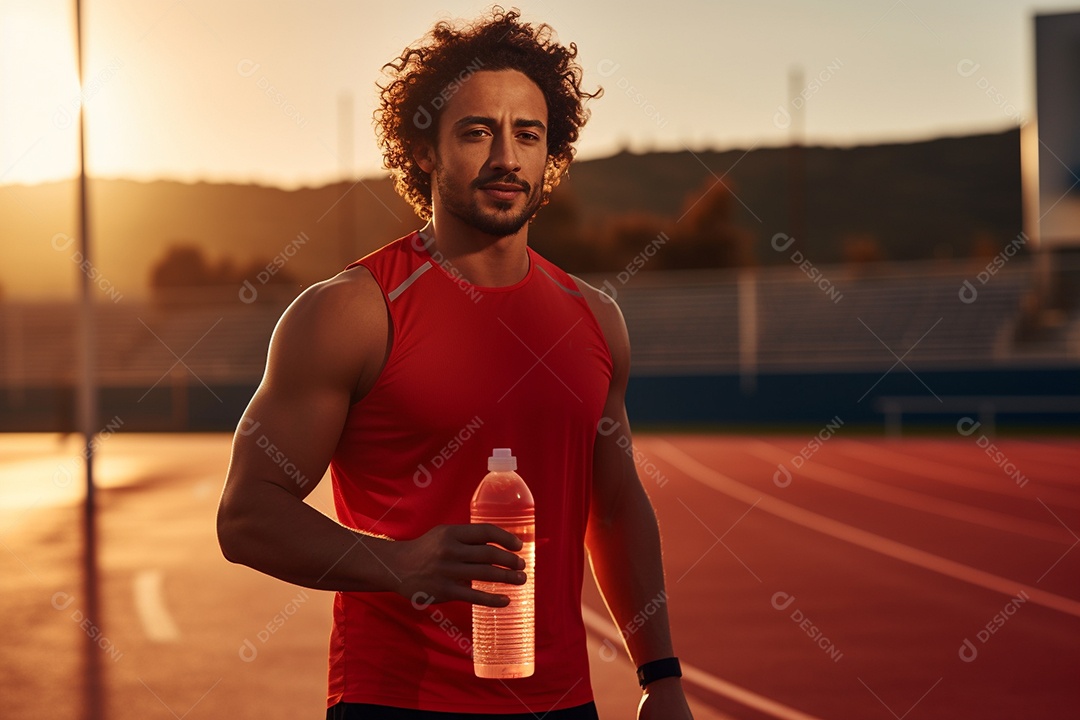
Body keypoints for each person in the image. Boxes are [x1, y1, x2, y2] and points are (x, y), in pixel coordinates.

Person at [217, 8, 694, 720]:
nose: (507, 157)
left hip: (562, 704)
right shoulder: (353, 311)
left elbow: (617, 508)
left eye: (527, 134)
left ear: (550, 153)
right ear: (423, 151)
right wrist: (400, 563)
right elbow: (248, 515)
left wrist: (660, 676)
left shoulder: (595, 319)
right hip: (395, 703)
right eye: (476, 132)